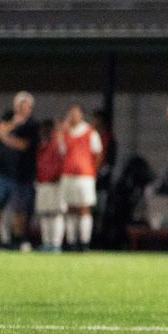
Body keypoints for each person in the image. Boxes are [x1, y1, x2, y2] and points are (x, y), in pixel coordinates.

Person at [0, 91, 37, 248]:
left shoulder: (32, 125)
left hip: (22, 174)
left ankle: (17, 239)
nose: (23, 108)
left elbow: (22, 145)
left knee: (19, 210)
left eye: (26, 105)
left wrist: (5, 136)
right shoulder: (9, 117)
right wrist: (11, 126)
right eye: (21, 105)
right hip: (2, 172)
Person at [57, 104, 102, 251]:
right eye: (71, 113)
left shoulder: (90, 132)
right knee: (70, 208)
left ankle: (84, 242)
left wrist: (92, 170)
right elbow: (61, 151)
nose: (73, 116)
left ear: (82, 115)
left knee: (84, 207)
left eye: (76, 113)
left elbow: (98, 153)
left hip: (85, 177)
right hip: (68, 176)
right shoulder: (66, 133)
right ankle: (71, 241)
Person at [33, 119, 64, 252]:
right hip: (42, 182)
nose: (43, 133)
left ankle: (56, 243)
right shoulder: (41, 145)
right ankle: (46, 242)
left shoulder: (58, 143)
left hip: (56, 183)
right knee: (45, 214)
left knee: (56, 213)